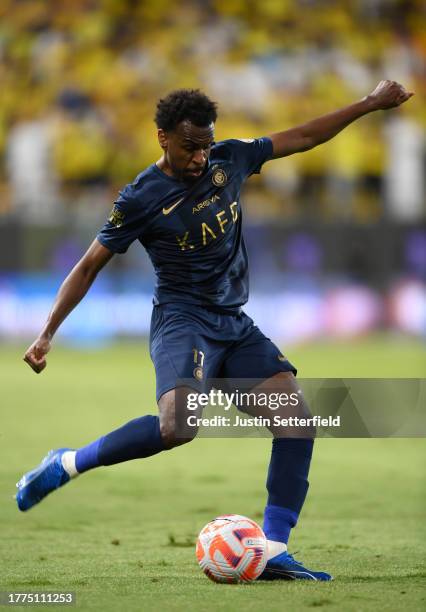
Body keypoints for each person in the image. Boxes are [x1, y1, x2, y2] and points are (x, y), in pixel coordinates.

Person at [17, 81, 413, 581]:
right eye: (190, 147)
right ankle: (68, 462)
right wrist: (47, 331)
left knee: (296, 421)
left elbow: (304, 138)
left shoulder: (231, 159)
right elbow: (89, 265)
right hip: (184, 323)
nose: (201, 157)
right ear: (162, 138)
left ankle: (270, 550)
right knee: (179, 427)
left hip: (233, 323)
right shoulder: (140, 197)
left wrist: (369, 104)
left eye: (206, 145)